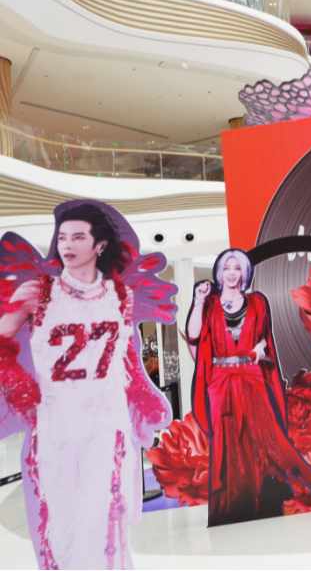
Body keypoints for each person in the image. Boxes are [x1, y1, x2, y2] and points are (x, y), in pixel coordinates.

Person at [0, 202, 172, 569]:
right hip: (55, 424)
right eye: (62, 237)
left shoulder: (120, 295)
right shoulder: (37, 291)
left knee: (105, 520)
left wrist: (143, 396)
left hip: (106, 425)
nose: (67, 244)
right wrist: (18, 385)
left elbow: (126, 356)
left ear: (100, 245)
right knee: (60, 525)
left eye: (78, 237)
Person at [187, 249, 311, 526]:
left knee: (267, 432)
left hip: (251, 375)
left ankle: (299, 479)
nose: (232, 273)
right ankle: (236, 503)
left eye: (237, 268)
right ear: (220, 272)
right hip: (221, 381)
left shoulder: (257, 301)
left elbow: (264, 336)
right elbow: (193, 335)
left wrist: (260, 347)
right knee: (228, 442)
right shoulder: (210, 303)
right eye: (227, 268)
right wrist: (198, 301)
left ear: (244, 273)